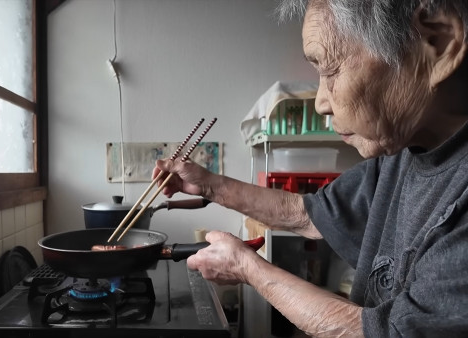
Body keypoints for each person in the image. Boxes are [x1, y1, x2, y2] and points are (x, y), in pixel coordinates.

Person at [152, 0, 468, 336]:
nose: (320, 103)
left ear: (439, 42)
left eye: (330, 69)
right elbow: (308, 213)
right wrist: (209, 185)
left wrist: (248, 268)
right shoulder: (403, 152)